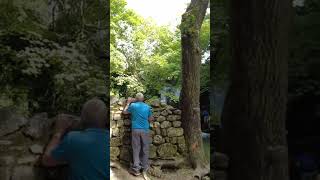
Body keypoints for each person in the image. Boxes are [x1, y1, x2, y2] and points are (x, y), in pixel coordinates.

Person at [42, 98, 109, 180]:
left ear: (82, 117)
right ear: (106, 119)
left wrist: (58, 132)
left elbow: (47, 160)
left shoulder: (73, 139)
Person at [123, 92, 154, 179]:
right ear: (143, 99)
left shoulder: (133, 106)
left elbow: (125, 112)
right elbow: (150, 119)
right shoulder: (147, 107)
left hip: (135, 129)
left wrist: (128, 103)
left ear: (136, 99)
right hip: (145, 130)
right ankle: (144, 168)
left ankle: (136, 170)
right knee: (145, 148)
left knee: (136, 148)